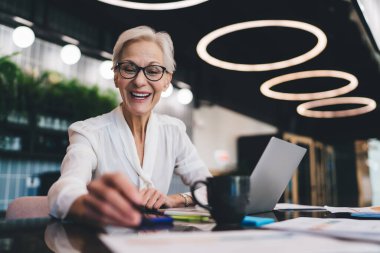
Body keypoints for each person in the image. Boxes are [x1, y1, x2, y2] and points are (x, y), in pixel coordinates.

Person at [48, 26, 212, 227]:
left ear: (167, 80)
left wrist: (175, 199)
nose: (140, 81)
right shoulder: (88, 133)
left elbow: (209, 188)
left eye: (153, 71)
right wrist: (87, 205)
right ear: (116, 75)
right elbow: (64, 188)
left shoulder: (173, 131)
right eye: (129, 68)